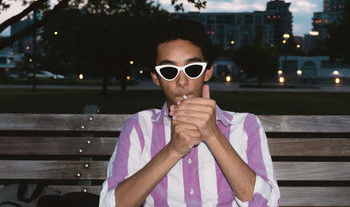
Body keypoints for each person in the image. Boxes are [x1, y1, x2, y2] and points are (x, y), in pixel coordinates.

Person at [99, 19, 280, 206]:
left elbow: (266, 204)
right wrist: (173, 150)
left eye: (192, 69)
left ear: (208, 72)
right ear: (156, 77)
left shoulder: (244, 126)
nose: (182, 81)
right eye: (169, 71)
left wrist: (213, 135)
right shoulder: (139, 127)